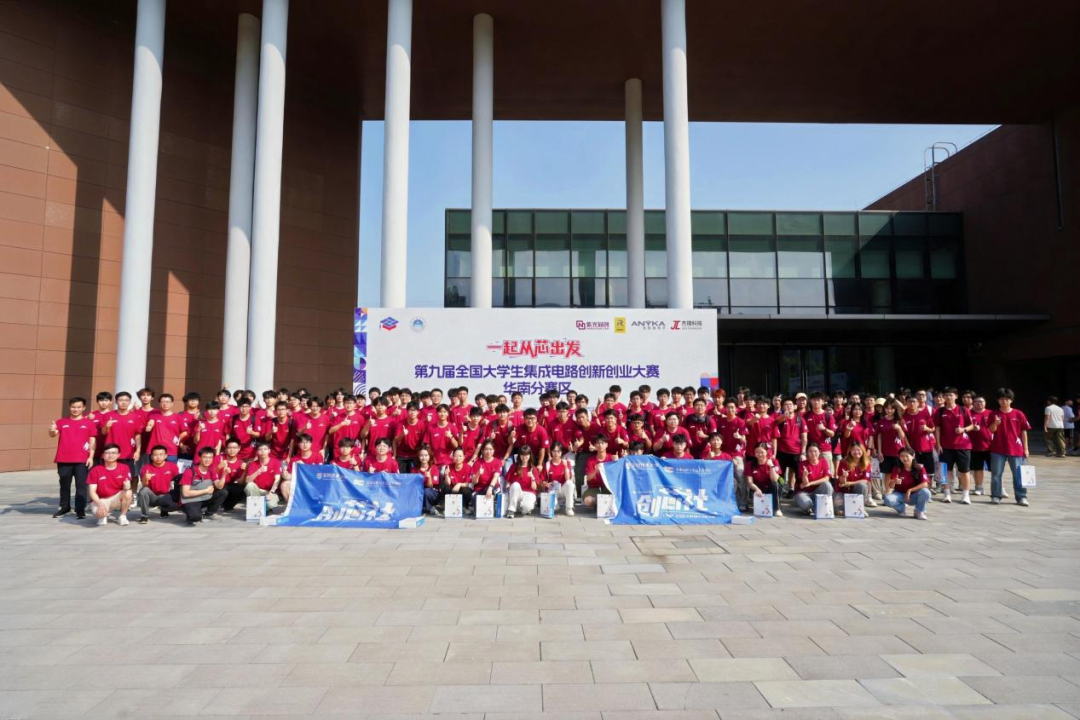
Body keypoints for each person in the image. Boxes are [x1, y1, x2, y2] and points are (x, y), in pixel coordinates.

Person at [50, 396, 96, 519]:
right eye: (73, 407)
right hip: (63, 459)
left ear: (84, 408)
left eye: (78, 407)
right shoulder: (61, 422)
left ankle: (80, 509)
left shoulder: (89, 423)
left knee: (81, 485)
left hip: (82, 460)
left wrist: (91, 457)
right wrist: (51, 430)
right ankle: (64, 507)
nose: (75, 409)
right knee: (64, 484)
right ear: (69, 407)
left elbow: (92, 441)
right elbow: (53, 434)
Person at [988, 388, 1031, 506]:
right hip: (998, 448)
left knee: (1018, 475)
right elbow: (991, 430)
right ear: (998, 400)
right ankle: (996, 496)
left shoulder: (1018, 414)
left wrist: (1026, 448)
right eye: (1001, 399)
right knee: (996, 474)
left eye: (1007, 399)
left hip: (1016, 449)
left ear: (1011, 400)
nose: (1004, 401)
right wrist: (995, 423)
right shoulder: (994, 414)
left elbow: (1024, 431)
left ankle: (1021, 497)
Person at [933, 387, 975, 504]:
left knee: (964, 471)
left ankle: (965, 495)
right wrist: (938, 444)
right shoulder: (940, 411)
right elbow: (937, 428)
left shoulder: (963, 410)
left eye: (951, 395)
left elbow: (971, 425)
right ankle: (947, 494)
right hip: (946, 446)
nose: (948, 397)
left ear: (956, 396)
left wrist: (963, 430)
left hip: (963, 446)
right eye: (946, 395)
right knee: (947, 471)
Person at [87, 443, 134, 526]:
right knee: (100, 514)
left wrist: (127, 486)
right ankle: (103, 516)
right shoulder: (95, 470)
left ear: (118, 455)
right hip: (101, 500)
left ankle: (122, 516)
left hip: (116, 498)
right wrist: (99, 503)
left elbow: (127, 486)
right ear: (103, 455)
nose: (110, 455)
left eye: (113, 453)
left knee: (128, 492)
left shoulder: (124, 467)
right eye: (107, 453)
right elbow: (92, 492)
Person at [178, 447, 227, 525]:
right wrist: (206, 491)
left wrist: (224, 474)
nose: (207, 460)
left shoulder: (211, 470)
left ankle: (209, 514)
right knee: (195, 517)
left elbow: (219, 486)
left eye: (210, 457)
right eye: (205, 457)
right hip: (191, 500)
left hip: (204, 498)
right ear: (200, 458)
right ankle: (190, 513)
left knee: (223, 492)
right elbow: (185, 493)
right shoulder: (190, 471)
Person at [883, 446, 931, 520]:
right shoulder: (897, 468)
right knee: (887, 499)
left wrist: (910, 490)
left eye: (907, 456)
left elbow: (925, 484)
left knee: (926, 492)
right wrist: (894, 481)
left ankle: (919, 511)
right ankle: (902, 508)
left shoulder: (919, 468)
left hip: (914, 495)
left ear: (913, 456)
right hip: (900, 495)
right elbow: (890, 486)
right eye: (902, 456)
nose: (904, 458)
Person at [136, 445, 180, 523]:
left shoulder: (172, 466)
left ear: (166, 456)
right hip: (152, 496)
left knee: (175, 502)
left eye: (161, 454)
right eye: (155, 455)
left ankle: (164, 509)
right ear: (151, 456)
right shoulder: (146, 468)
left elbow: (177, 482)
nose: (158, 457)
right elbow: (144, 485)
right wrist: (145, 478)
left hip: (166, 496)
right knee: (143, 491)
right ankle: (144, 515)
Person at [794, 442, 834, 516]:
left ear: (819, 452)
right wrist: (805, 476)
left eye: (815, 451)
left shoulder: (823, 462)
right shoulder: (803, 464)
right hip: (804, 492)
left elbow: (826, 478)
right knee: (806, 505)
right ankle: (811, 507)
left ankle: (824, 507)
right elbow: (805, 484)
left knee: (828, 485)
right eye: (810, 451)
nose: (813, 454)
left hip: (817, 491)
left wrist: (811, 483)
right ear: (807, 453)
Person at [746, 442, 782, 517]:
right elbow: (750, 482)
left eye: (762, 452)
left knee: (775, 484)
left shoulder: (774, 461)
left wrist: (771, 466)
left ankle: (777, 508)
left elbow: (774, 479)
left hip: (771, 488)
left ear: (767, 452)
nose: (759, 454)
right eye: (757, 452)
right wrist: (756, 489)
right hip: (758, 488)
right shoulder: (750, 464)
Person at [244, 441, 283, 512]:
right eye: (260, 449)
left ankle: (262, 508)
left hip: (270, 491)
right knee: (249, 485)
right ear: (257, 452)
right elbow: (248, 481)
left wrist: (271, 492)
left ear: (269, 451)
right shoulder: (253, 464)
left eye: (265, 449)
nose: (263, 451)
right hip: (258, 490)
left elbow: (277, 479)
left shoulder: (276, 462)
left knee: (271, 504)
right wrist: (258, 471)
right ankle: (257, 508)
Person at [835, 440, 874, 509]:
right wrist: (844, 476)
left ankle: (859, 508)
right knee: (840, 510)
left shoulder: (867, 464)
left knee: (862, 485)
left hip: (856, 490)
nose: (856, 452)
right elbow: (842, 482)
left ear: (863, 451)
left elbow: (865, 480)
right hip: (843, 491)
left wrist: (849, 483)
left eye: (858, 450)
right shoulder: (844, 462)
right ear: (850, 451)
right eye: (853, 450)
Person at [505, 446, 541, 519]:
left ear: (530, 455)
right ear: (519, 455)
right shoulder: (514, 466)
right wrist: (508, 486)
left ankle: (521, 506)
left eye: (526, 455)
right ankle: (511, 509)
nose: (524, 457)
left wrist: (532, 477)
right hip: (517, 493)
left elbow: (534, 488)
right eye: (522, 455)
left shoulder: (533, 468)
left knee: (526, 508)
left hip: (529, 493)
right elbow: (508, 481)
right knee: (515, 484)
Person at [541, 442, 576, 516]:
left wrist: (565, 467)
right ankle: (555, 505)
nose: (556, 453)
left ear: (561, 452)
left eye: (558, 451)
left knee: (570, 484)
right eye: (554, 451)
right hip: (552, 490)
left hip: (563, 489)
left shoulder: (566, 463)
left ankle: (569, 508)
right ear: (551, 452)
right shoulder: (547, 464)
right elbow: (542, 481)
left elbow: (568, 479)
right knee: (554, 507)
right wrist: (545, 484)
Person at [582, 435, 615, 510]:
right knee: (588, 501)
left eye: (603, 443)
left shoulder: (611, 458)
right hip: (594, 488)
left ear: (607, 445)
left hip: (608, 488)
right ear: (595, 445)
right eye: (598, 443)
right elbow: (588, 478)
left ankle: (602, 504)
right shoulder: (590, 460)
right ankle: (599, 504)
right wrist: (595, 471)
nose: (600, 445)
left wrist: (617, 461)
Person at [445, 446, 478, 513]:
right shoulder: (449, 467)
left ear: (464, 457)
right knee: (445, 488)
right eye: (455, 456)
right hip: (453, 489)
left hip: (462, 488)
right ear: (452, 457)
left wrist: (459, 484)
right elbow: (448, 483)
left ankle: (464, 507)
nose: (458, 458)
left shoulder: (468, 467)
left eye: (460, 456)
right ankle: (448, 506)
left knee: (466, 491)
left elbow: (469, 484)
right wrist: (446, 475)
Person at [415, 445, 443, 516]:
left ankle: (429, 509)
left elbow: (430, 486)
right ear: (418, 457)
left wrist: (429, 477)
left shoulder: (434, 468)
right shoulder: (414, 469)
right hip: (419, 492)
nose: (424, 457)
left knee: (426, 491)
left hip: (432, 492)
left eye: (426, 455)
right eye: (421, 455)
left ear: (429, 456)